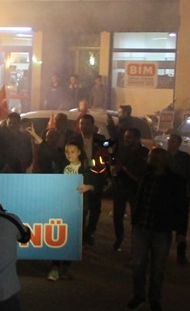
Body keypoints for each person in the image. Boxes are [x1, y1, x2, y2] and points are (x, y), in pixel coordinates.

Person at [127, 147, 189, 311]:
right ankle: (138, 296)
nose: (151, 161)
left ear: (164, 162)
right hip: (141, 227)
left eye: (155, 158)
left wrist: (181, 233)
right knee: (138, 265)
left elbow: (182, 208)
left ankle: (154, 299)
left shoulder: (174, 181)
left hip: (161, 229)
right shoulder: (145, 176)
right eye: (150, 157)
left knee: (158, 268)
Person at [48, 141, 99, 281]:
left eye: (72, 151)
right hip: (60, 205)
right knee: (58, 234)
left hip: (79, 207)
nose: (69, 154)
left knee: (72, 236)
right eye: (67, 151)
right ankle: (55, 267)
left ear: (79, 152)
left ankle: (65, 267)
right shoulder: (61, 164)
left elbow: (98, 183)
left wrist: (89, 186)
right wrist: (34, 135)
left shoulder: (88, 165)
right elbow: (47, 151)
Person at [68, 114, 109, 246]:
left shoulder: (100, 139)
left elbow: (104, 158)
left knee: (95, 208)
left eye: (87, 123)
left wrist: (92, 164)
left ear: (92, 125)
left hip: (96, 178)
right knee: (82, 208)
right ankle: (80, 234)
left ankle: (90, 232)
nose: (84, 126)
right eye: (82, 123)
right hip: (80, 178)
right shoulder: (74, 139)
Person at [108, 127, 149, 252]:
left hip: (135, 189)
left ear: (137, 138)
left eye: (129, 137)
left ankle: (135, 244)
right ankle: (119, 238)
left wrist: (123, 168)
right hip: (120, 187)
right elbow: (113, 166)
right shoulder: (121, 150)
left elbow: (140, 174)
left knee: (136, 218)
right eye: (125, 137)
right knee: (117, 216)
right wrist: (113, 170)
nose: (126, 139)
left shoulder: (144, 152)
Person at [164, 132, 190, 265]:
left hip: (180, 196)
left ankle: (181, 253)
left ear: (178, 144)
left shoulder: (184, 157)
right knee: (165, 227)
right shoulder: (163, 156)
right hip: (166, 195)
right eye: (169, 141)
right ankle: (163, 253)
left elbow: (189, 177)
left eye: (173, 141)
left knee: (181, 227)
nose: (169, 143)